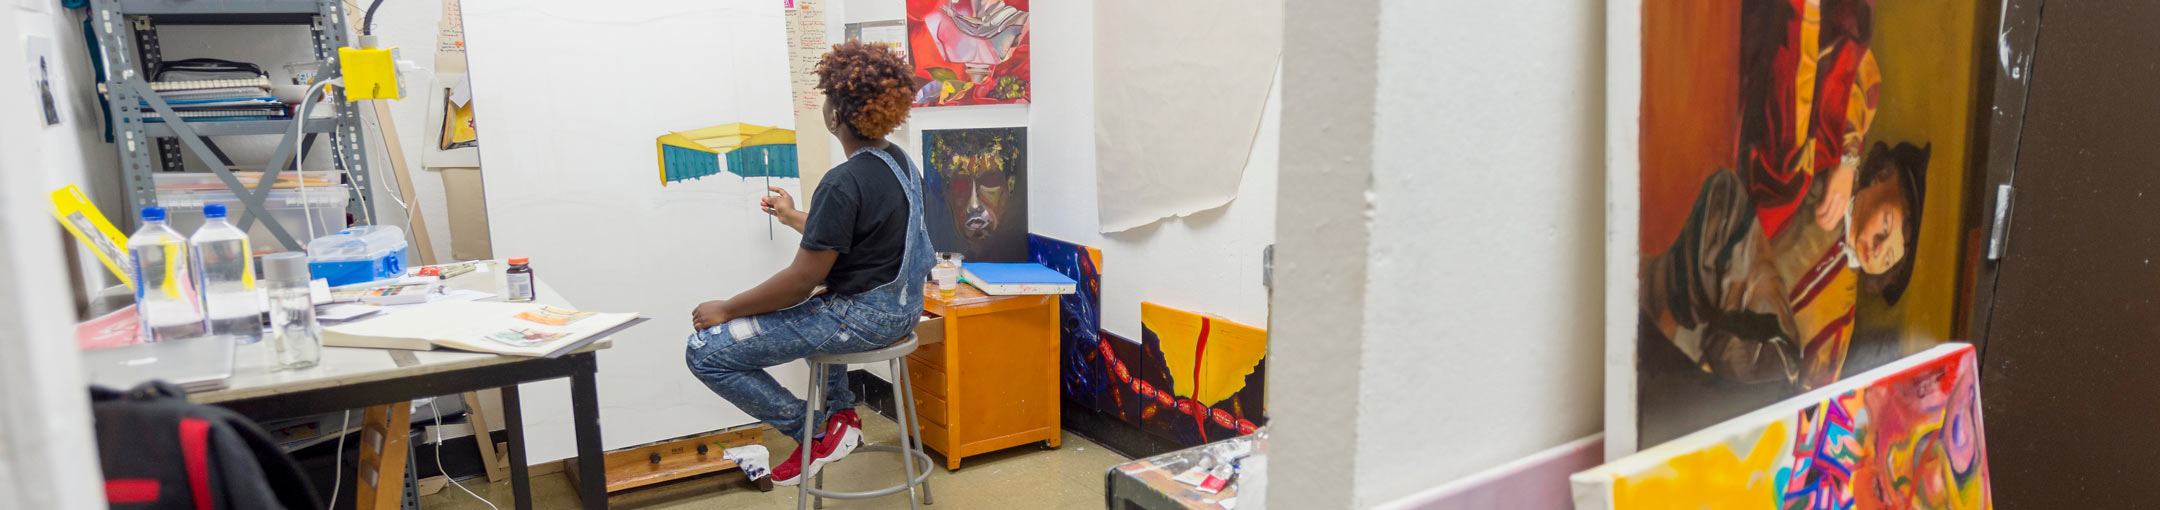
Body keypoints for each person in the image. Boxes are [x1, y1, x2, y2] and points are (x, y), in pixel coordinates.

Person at [683, 41, 931, 486]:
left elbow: (801, 279)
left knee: (705, 353)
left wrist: (726, 308)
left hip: (863, 320)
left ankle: (814, 431)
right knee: (822, 300)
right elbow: (853, 238)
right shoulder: (899, 163)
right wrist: (792, 215)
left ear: (836, 115)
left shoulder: (843, 181)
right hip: (905, 309)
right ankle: (843, 418)